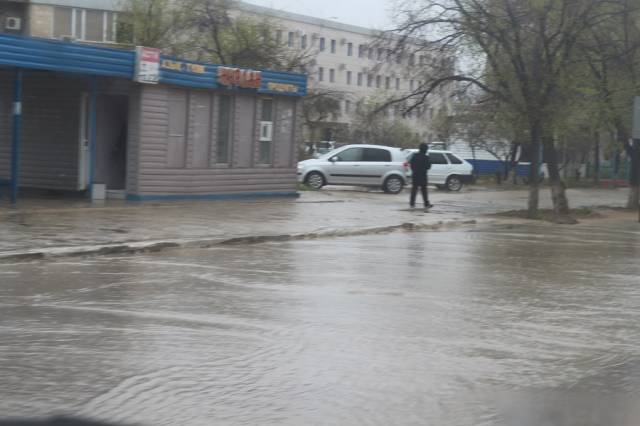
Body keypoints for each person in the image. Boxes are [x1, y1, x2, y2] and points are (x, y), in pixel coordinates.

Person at [410, 143, 433, 209]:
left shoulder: (415, 156)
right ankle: (426, 204)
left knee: (414, 190)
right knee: (424, 191)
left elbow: (411, 165)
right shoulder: (426, 157)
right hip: (423, 176)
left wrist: (414, 170)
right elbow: (428, 167)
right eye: (426, 149)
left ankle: (412, 204)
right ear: (425, 149)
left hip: (415, 175)